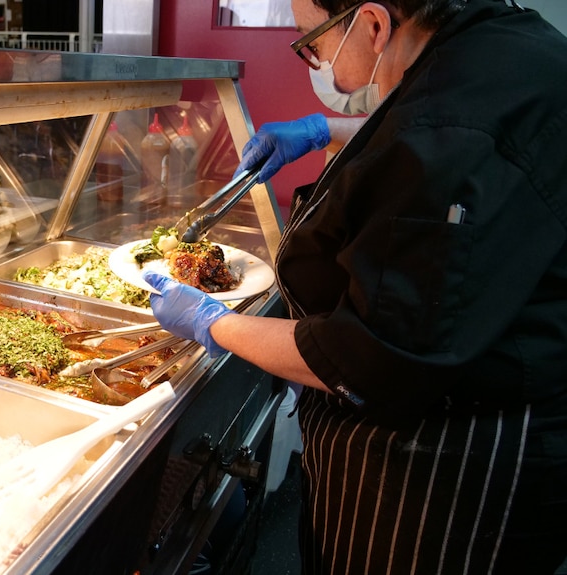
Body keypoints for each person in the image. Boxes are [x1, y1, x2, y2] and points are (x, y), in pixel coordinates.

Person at [142, 0, 567, 573]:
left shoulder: (447, 128)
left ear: (372, 23)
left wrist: (213, 322)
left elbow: (367, 356)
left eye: (310, 43)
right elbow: (432, 130)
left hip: (442, 470)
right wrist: (327, 133)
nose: (312, 62)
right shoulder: (500, 47)